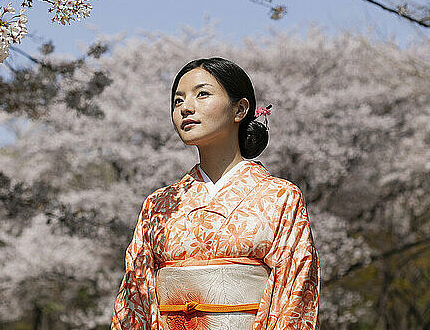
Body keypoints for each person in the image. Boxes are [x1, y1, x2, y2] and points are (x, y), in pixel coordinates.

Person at [110, 57, 320, 330]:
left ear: (240, 109)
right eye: (178, 100)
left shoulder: (280, 197)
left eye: (202, 94)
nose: (186, 108)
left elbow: (295, 293)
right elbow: (136, 296)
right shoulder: (159, 204)